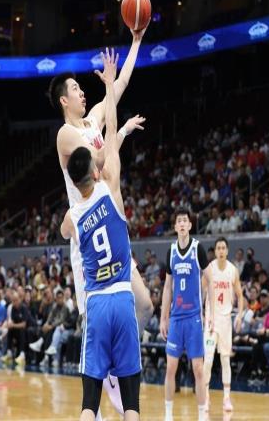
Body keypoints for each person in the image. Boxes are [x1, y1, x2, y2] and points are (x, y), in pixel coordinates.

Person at [52, 28, 153, 419]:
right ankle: (103, 378)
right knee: (94, 318)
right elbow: (99, 164)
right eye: (76, 89)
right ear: (64, 100)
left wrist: (136, 41)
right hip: (88, 234)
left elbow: (120, 86)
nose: (83, 92)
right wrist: (118, 131)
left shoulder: (92, 121)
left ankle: (116, 368)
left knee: (144, 305)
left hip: (109, 221)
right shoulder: (66, 134)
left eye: (83, 88)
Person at [160, 207, 215, 421]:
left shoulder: (197, 249)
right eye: (179, 221)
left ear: (190, 225)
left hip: (194, 318)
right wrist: (164, 317)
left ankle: (202, 416)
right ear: (175, 226)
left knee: (198, 369)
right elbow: (167, 287)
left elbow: (210, 281)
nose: (182, 223)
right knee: (170, 368)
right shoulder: (171, 251)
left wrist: (209, 313)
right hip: (176, 318)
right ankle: (168, 415)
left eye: (185, 220)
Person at [203, 237, 244, 413]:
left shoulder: (233, 270)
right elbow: (201, 292)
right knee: (208, 360)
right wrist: (201, 314)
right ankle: (205, 397)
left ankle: (226, 398)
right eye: (218, 248)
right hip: (211, 321)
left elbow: (240, 296)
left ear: (227, 251)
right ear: (215, 251)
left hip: (226, 321)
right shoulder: (209, 269)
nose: (220, 250)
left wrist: (239, 315)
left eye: (223, 248)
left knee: (225, 360)